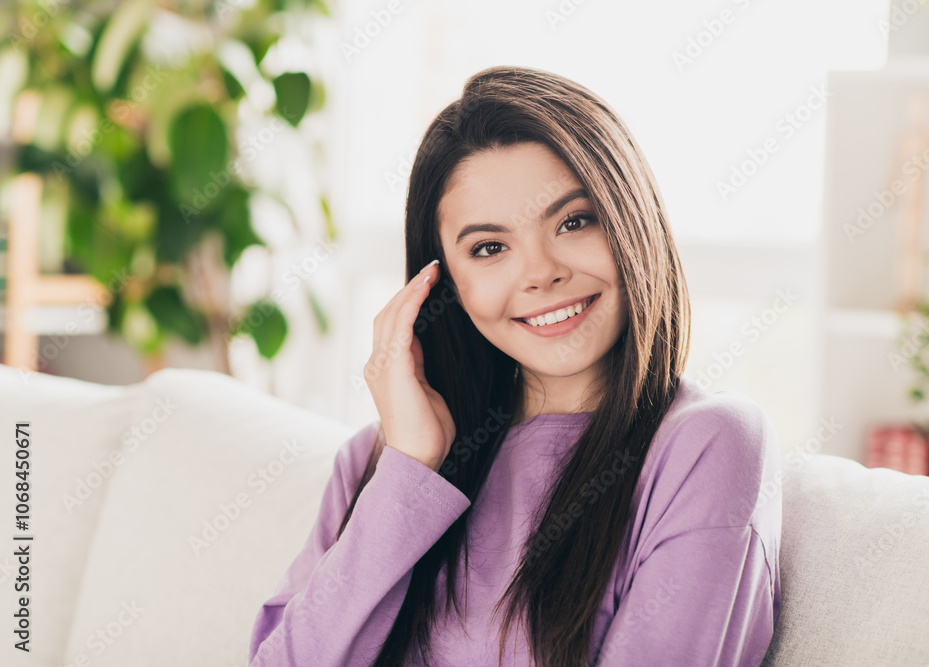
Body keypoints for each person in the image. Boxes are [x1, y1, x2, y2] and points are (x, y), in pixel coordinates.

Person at [248, 64, 782, 667]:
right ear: (442, 282)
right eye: (489, 248)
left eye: (575, 221)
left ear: (632, 220)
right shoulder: (378, 463)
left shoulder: (705, 445)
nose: (540, 271)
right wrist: (407, 474)